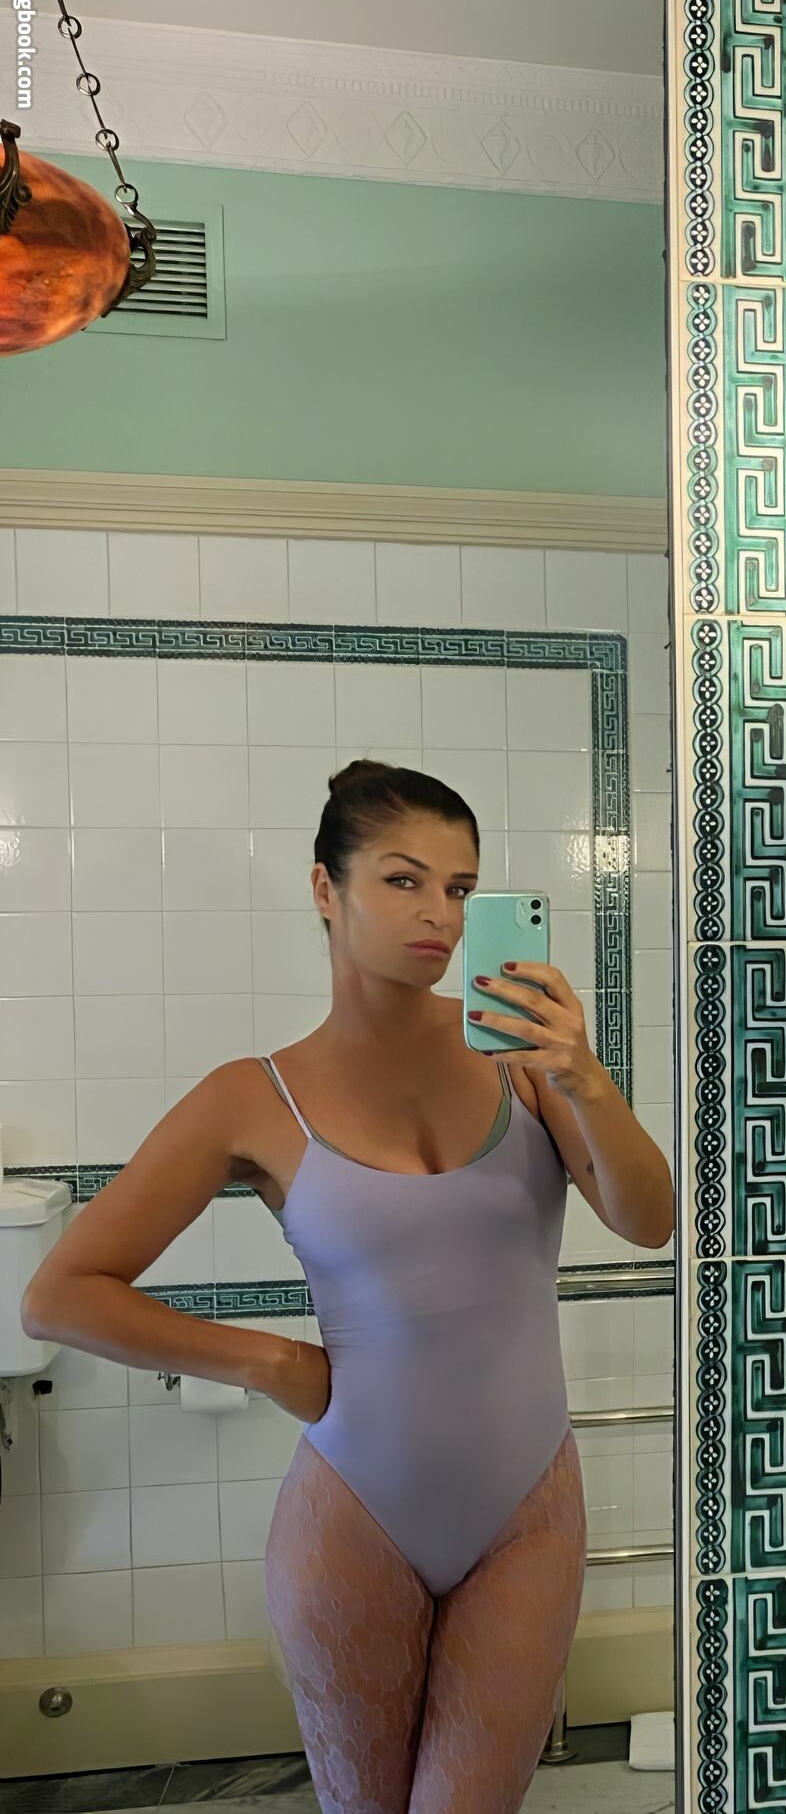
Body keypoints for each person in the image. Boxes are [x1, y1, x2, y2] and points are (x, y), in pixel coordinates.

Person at [20, 758, 674, 1814]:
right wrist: (273, 1363)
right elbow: (59, 1294)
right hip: (355, 1519)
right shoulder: (252, 1097)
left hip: (529, 1513)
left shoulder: (523, 1062)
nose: (439, 915)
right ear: (326, 889)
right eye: (402, 880)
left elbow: (648, 1220)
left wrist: (584, 1078)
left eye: (460, 888)